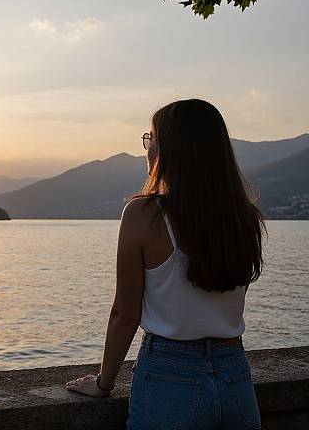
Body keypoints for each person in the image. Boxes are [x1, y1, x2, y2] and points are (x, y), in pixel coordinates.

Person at [65, 99, 266, 430]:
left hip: (170, 379)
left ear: (171, 149)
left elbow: (125, 314)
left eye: (152, 138)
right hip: (235, 380)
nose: (148, 147)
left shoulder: (143, 216)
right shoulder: (244, 218)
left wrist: (104, 383)